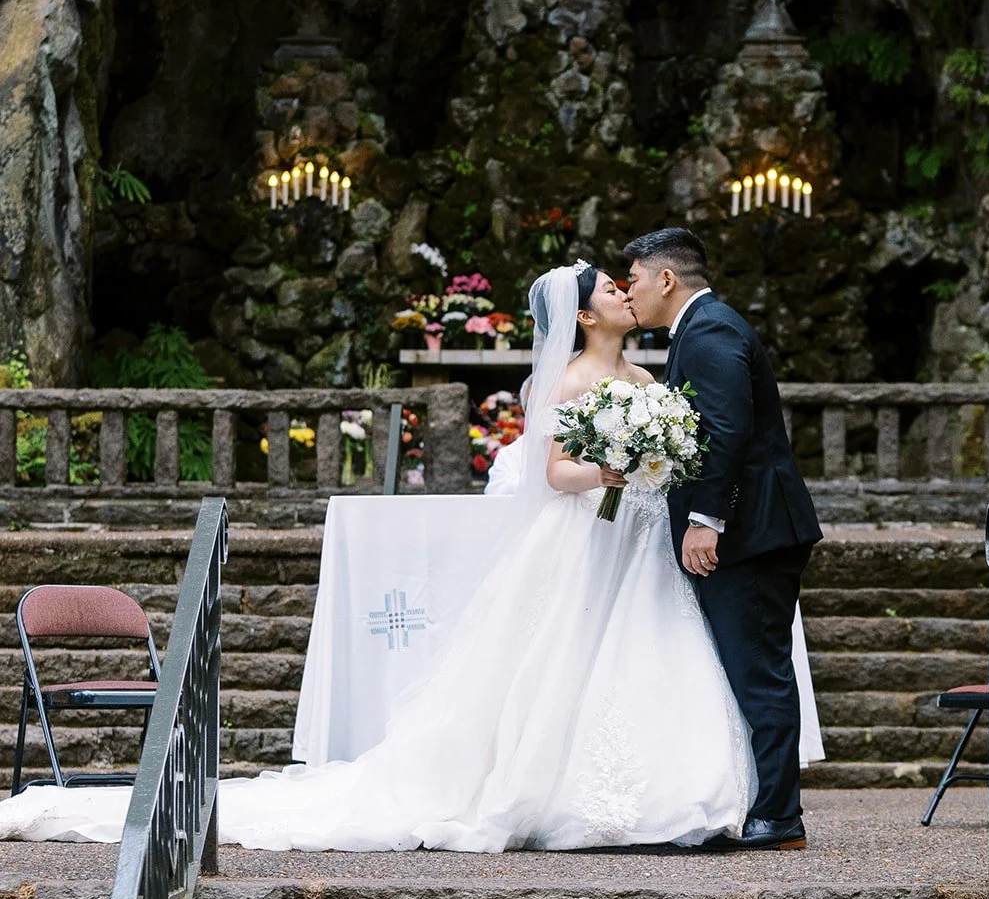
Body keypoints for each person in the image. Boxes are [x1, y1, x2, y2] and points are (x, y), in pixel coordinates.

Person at [0, 263, 820, 852]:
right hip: (587, 538)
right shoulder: (561, 385)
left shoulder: (650, 373)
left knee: (652, 656)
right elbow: (554, 473)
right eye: (609, 287)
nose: (623, 290)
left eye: (624, 281)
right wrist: (611, 467)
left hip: (642, 544)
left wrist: (656, 466)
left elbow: (692, 446)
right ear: (581, 316)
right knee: (560, 657)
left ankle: (685, 793)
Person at [624, 228, 822, 851]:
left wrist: (706, 521)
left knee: (759, 669)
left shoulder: (708, 331)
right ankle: (764, 806)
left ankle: (778, 817)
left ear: (666, 279)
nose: (628, 292)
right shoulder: (704, 326)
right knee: (751, 666)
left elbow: (726, 429)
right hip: (756, 528)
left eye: (633, 279)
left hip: (752, 534)